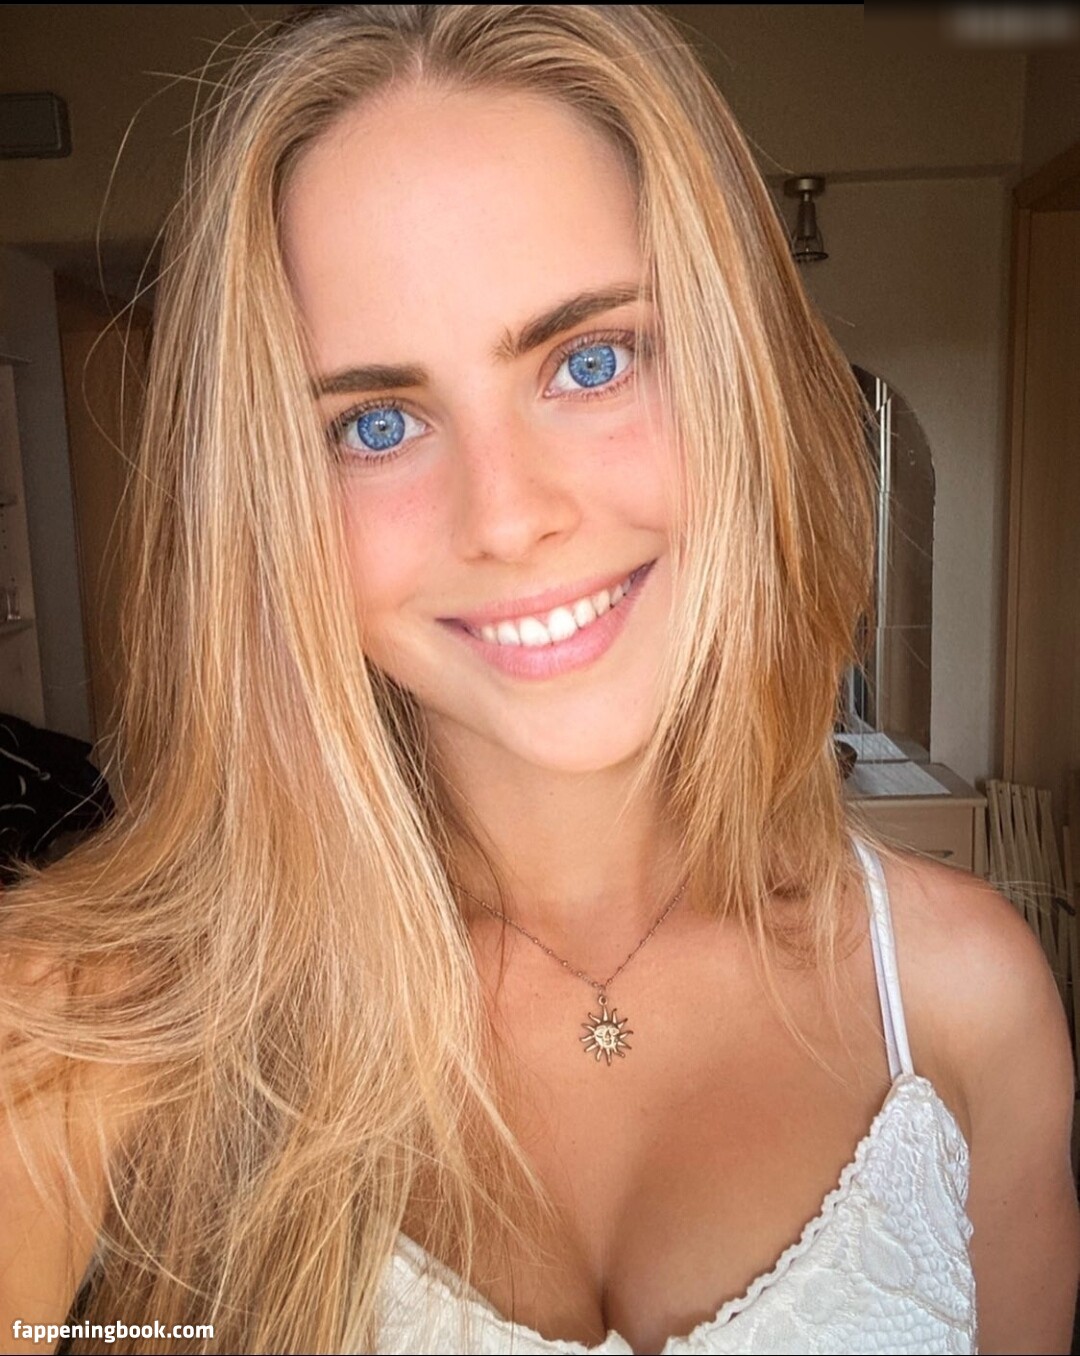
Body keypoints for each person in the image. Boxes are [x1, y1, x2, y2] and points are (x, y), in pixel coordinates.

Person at [2, 5, 1077, 1353]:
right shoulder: (72, 1034)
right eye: (374, 424)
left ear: (742, 381)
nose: (507, 519)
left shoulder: (967, 995)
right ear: (265, 505)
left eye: (591, 360)